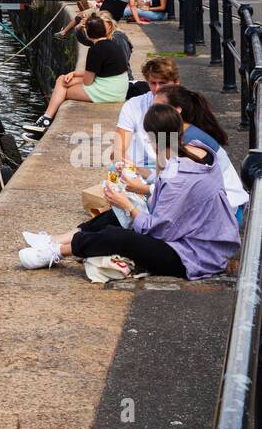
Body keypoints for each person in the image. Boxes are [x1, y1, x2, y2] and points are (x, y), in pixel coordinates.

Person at [18, 104, 241, 277]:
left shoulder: (177, 176)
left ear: (152, 138)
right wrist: (135, 179)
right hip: (202, 239)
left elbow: (157, 232)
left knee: (121, 235)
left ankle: (58, 251)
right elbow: (168, 183)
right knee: (117, 215)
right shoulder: (196, 150)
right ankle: (56, 242)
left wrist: (127, 204)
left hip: (193, 255)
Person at [23, 14, 129, 135]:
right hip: (118, 89)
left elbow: (88, 82)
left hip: (108, 92)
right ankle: (46, 123)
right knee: (63, 81)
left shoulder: (95, 50)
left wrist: (74, 79)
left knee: (63, 92)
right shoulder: (113, 44)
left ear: (87, 33)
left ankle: (46, 121)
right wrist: (74, 73)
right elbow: (99, 71)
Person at [156, 85, 249, 219]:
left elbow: (178, 189)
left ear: (177, 111)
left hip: (226, 212)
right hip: (221, 205)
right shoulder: (177, 133)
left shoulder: (189, 140)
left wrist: (143, 189)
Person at [113, 55, 180, 167]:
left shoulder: (187, 106)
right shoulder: (133, 105)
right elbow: (119, 149)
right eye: (153, 83)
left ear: (176, 82)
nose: (157, 89)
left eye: (162, 83)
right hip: (138, 168)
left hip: (173, 172)